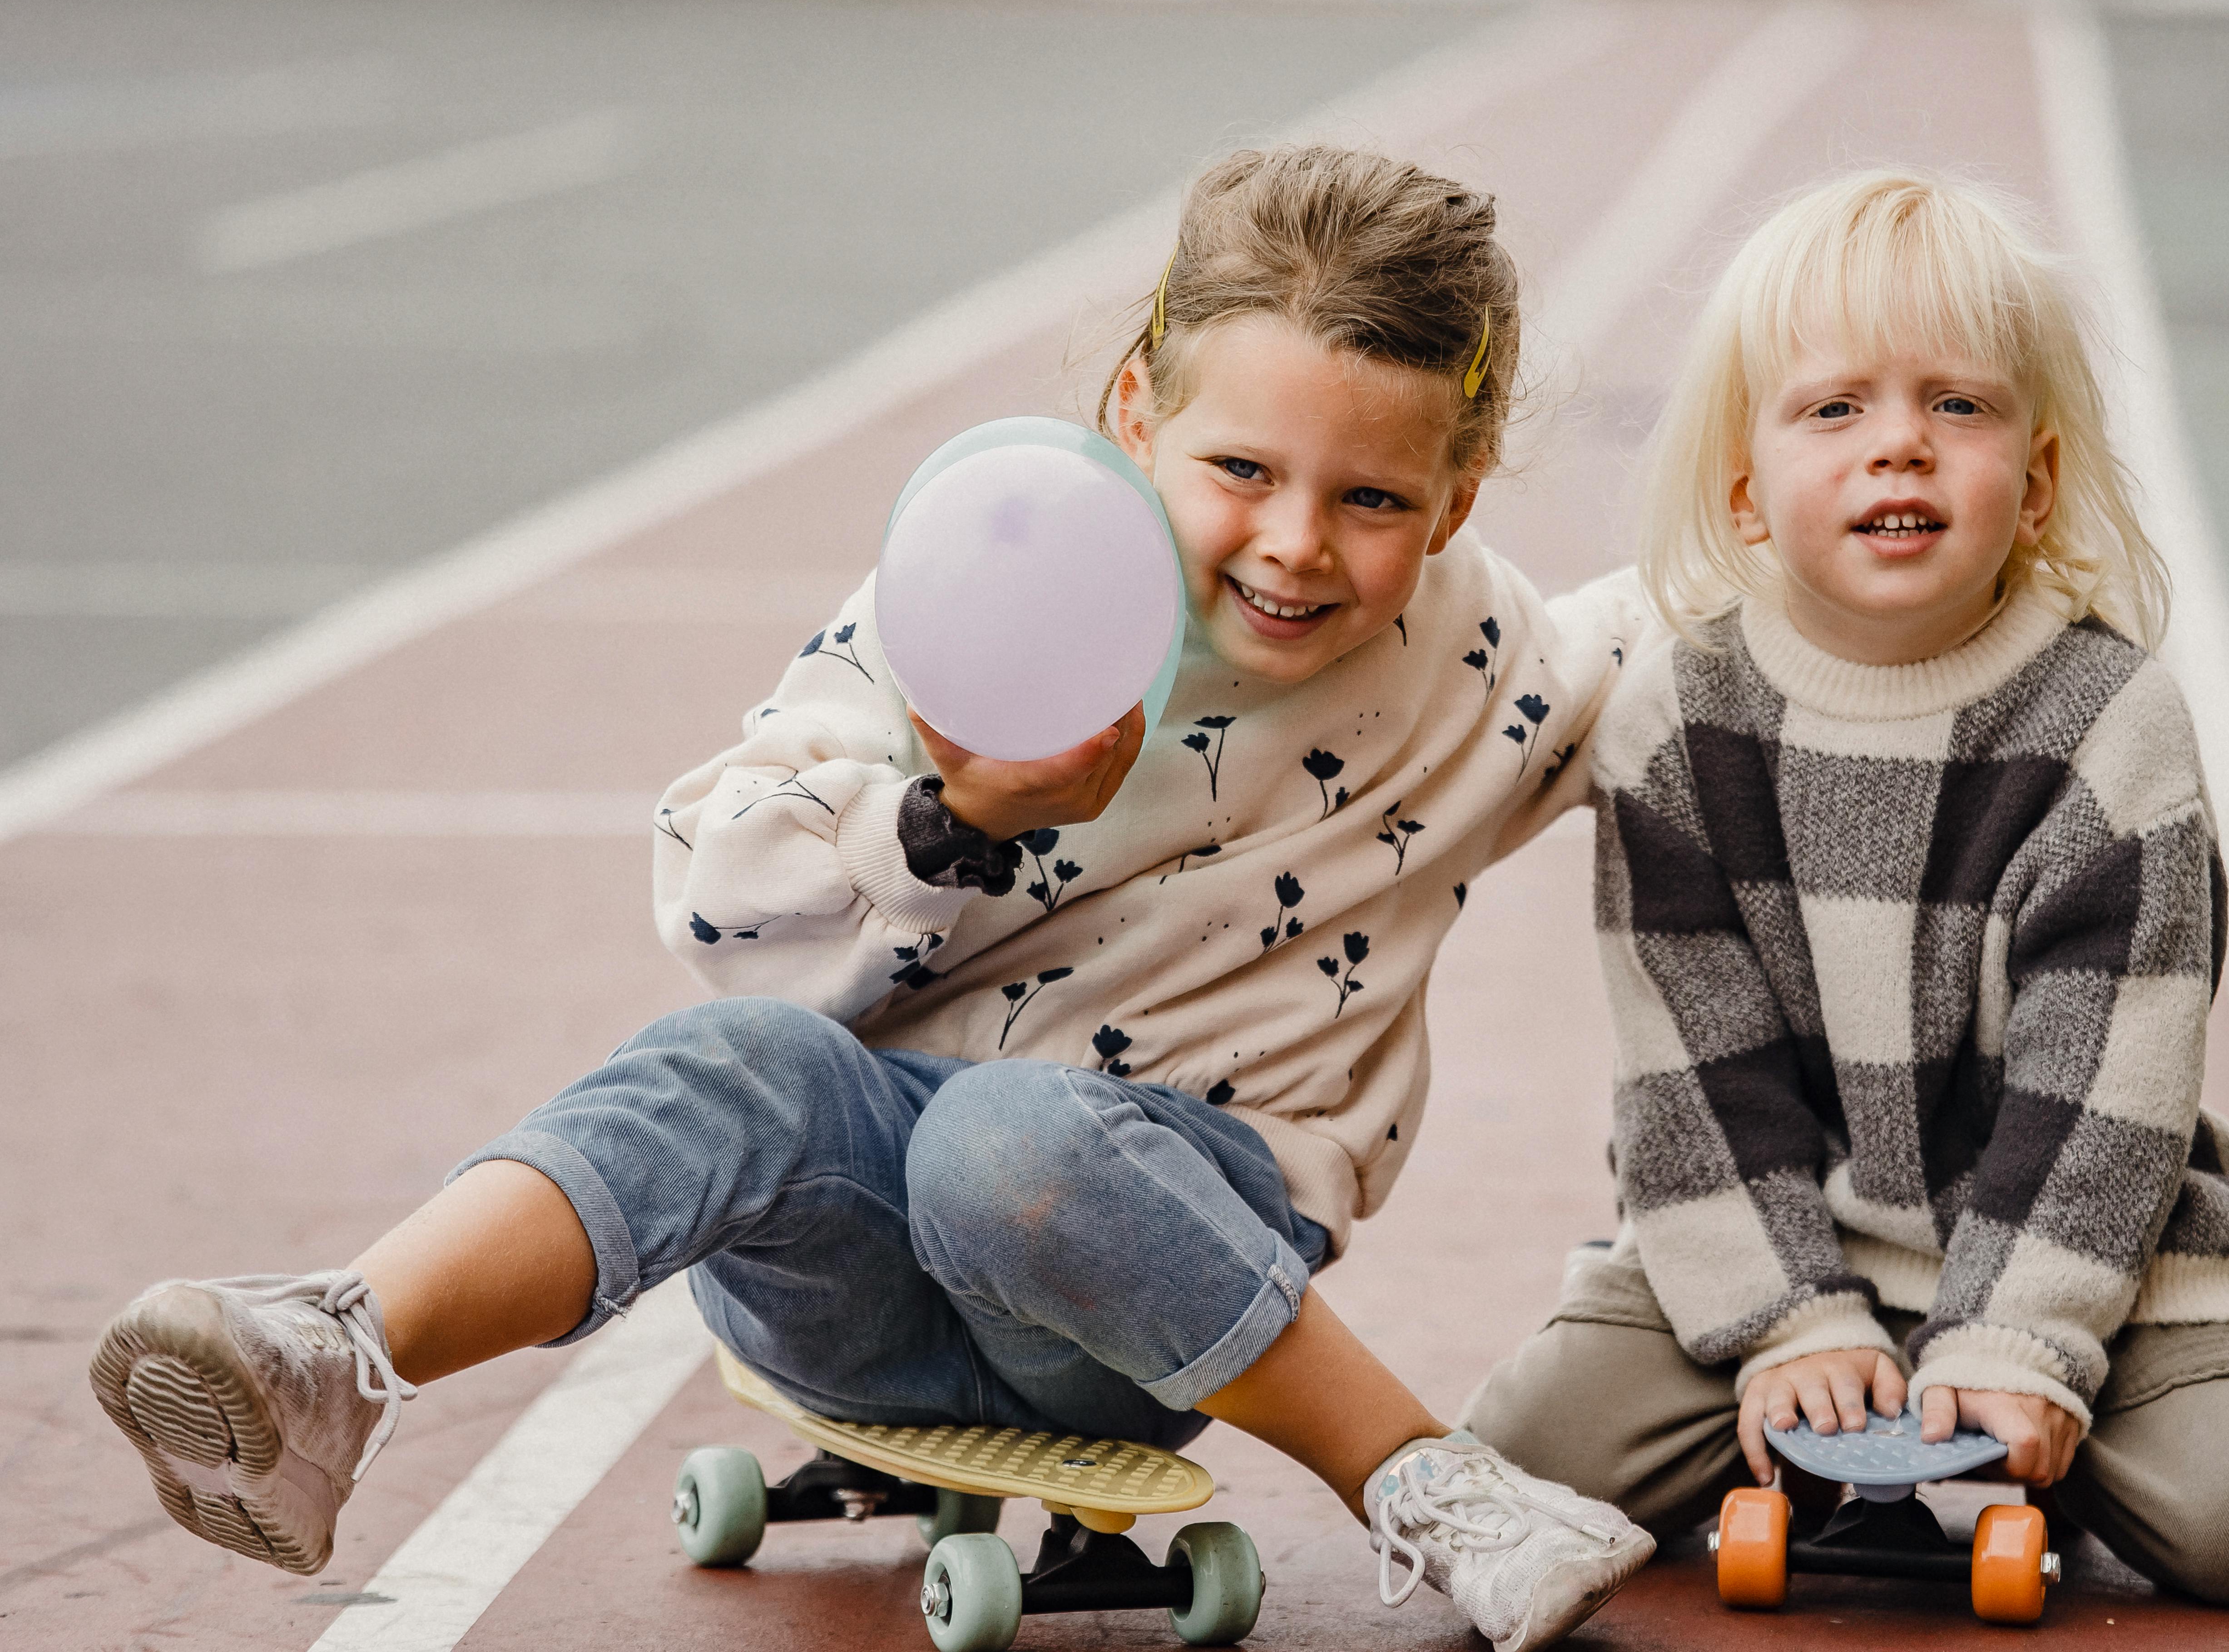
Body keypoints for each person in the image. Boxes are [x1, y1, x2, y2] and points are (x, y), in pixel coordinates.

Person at [90, 145, 1657, 1652]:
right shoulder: (992, 584)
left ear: (1455, 499)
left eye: (1373, 500)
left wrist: (1876, 459)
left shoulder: (1493, 668)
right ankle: (340, 1359)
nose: (1298, 544)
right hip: (855, 1279)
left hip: (1147, 1294)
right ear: (1133, 415)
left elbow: (1706, 617)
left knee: (1006, 1137)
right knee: (753, 1065)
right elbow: (715, 897)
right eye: (1240, 469)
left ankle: (1430, 1487)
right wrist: (951, 813)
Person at [1462, 169, 2229, 1606]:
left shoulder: (2107, 721)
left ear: (2032, 483)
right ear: (1747, 490)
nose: (1898, 446)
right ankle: (1833, 1407)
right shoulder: (1680, 716)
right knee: (1522, 1460)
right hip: (1791, 1225)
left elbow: (2108, 1093)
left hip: (2084, 1243)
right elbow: (1692, 1074)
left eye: (1957, 408)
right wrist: (1783, 1318)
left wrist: (2021, 1344)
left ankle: (2209, 1364)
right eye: (1835, 409)